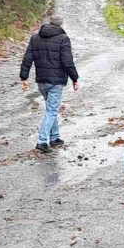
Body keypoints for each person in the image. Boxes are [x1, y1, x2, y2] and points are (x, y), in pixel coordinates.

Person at [20, 15, 79, 153]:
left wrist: (24, 77)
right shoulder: (63, 39)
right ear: (61, 25)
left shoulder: (35, 38)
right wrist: (74, 78)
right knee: (52, 110)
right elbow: (67, 61)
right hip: (56, 81)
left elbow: (27, 58)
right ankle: (41, 141)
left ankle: (55, 137)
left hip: (41, 81)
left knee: (51, 108)